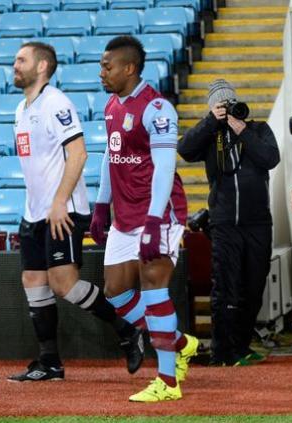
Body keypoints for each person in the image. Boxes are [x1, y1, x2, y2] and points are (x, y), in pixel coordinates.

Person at [8, 42, 143, 382]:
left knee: (64, 284)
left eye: (21, 60)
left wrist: (58, 202)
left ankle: (127, 330)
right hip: (34, 213)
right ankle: (49, 363)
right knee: (33, 280)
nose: (15, 66)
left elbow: (79, 154)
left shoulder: (56, 103)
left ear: (41, 67)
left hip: (63, 210)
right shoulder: (20, 109)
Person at [89, 35, 198, 402]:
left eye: (108, 66)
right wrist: (102, 204)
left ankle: (168, 383)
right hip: (125, 214)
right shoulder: (111, 107)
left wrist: (154, 220)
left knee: (154, 289)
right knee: (116, 292)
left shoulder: (158, 108)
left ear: (129, 68)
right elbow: (111, 155)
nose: (101, 73)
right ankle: (180, 343)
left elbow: (166, 168)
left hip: (159, 213)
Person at [177, 79, 280, 367]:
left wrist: (242, 130)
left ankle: (242, 346)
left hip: (258, 222)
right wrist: (212, 121)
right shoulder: (211, 134)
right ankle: (223, 352)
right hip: (224, 223)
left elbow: (270, 158)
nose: (226, 108)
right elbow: (184, 149)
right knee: (225, 288)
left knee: (254, 286)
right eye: (220, 104)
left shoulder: (258, 129)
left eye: (229, 103)